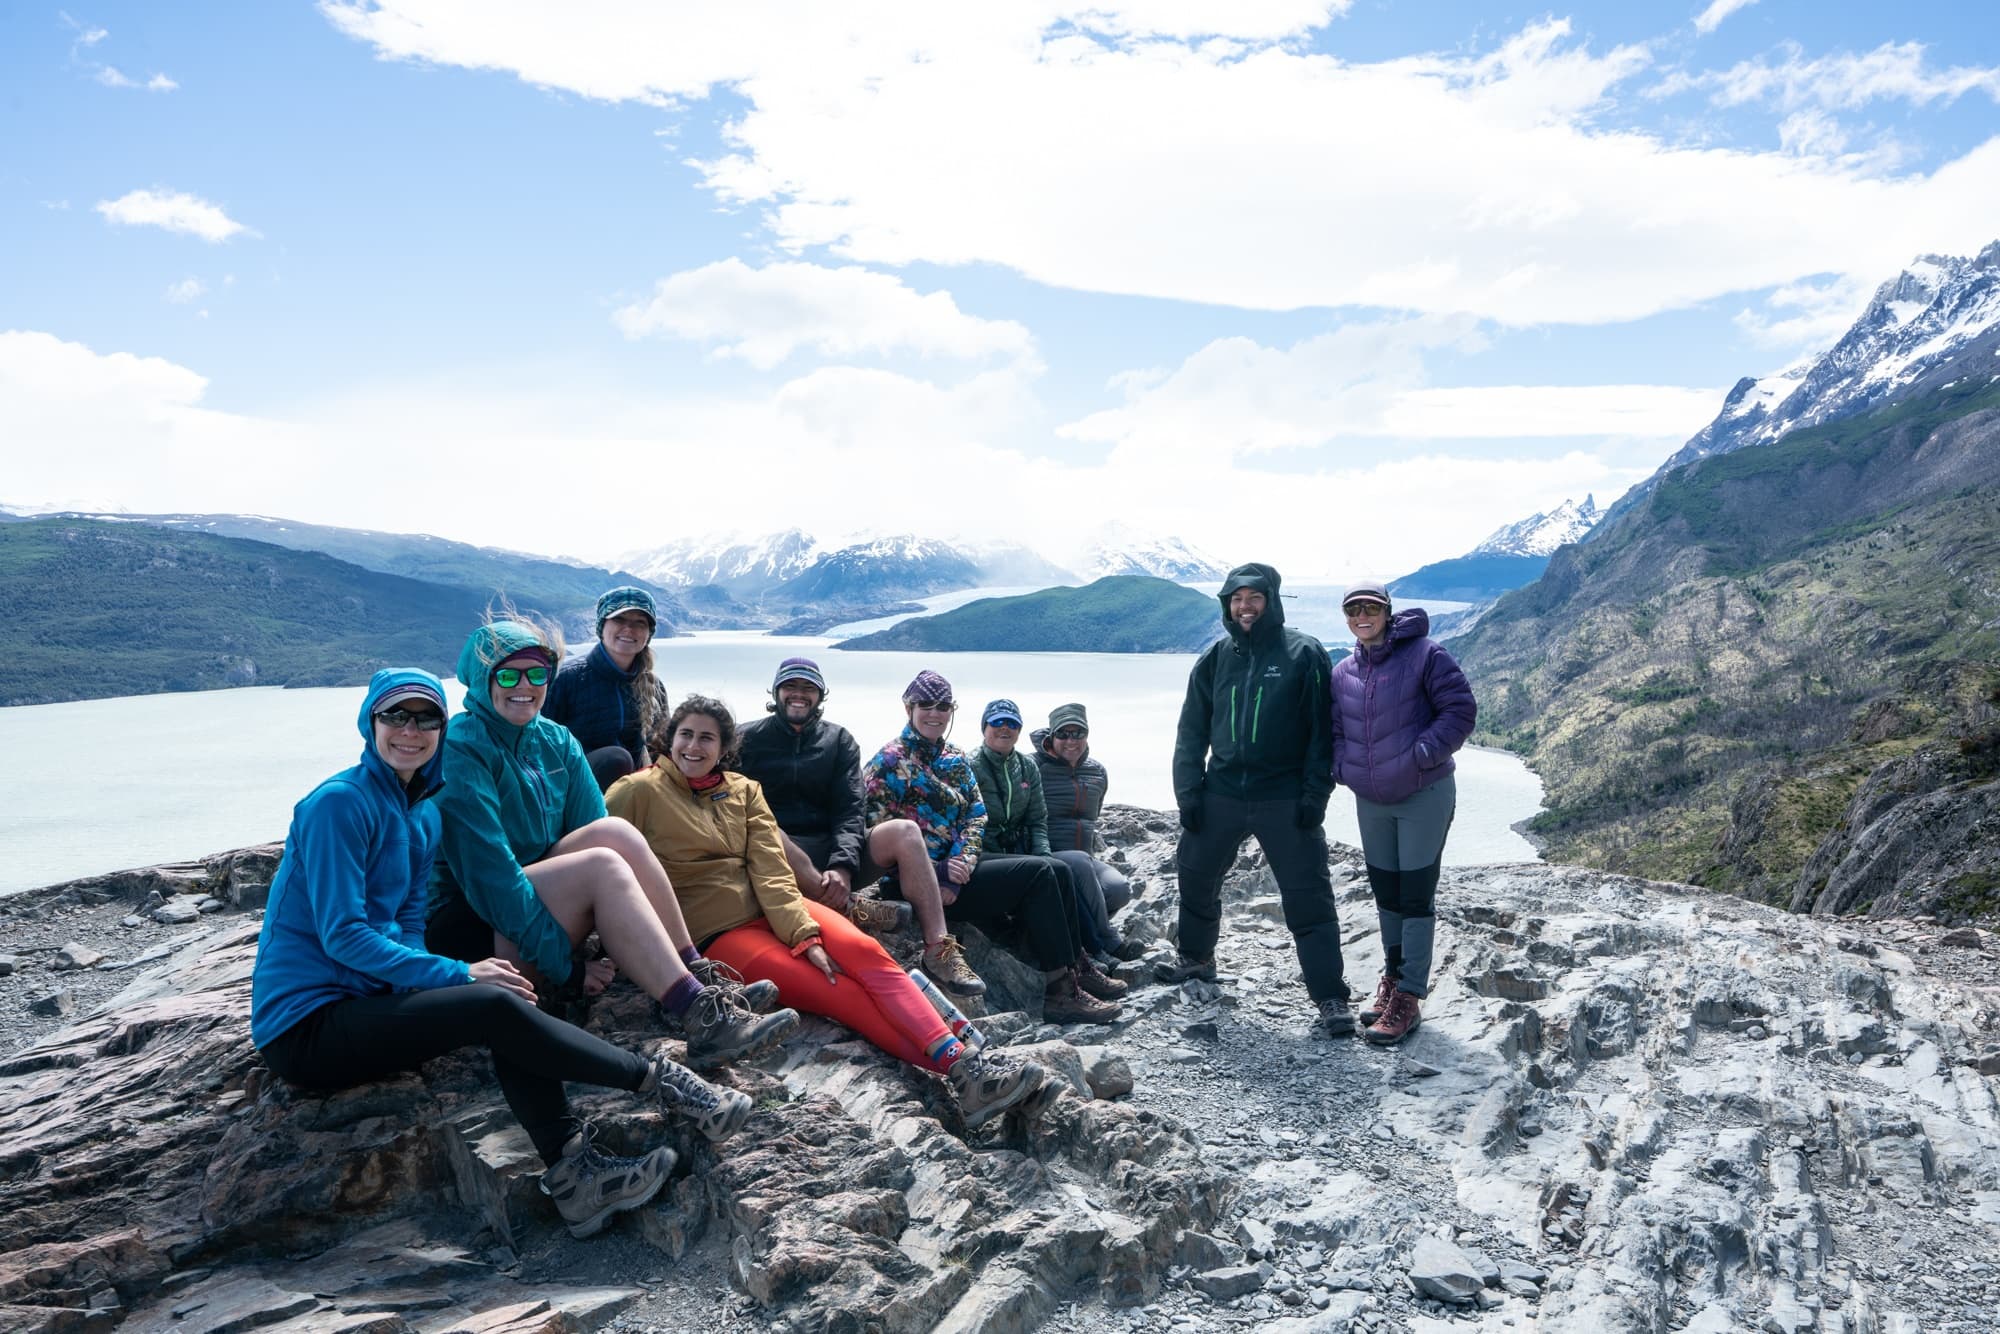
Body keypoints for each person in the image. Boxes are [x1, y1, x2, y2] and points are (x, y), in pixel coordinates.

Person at [251, 669, 750, 1241]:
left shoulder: (422, 812)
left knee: (506, 997)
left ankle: (574, 1179)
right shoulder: (338, 805)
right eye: (396, 716)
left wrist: (437, 981)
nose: (411, 731)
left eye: (426, 718)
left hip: (372, 999)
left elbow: (409, 923)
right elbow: (343, 936)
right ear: (371, 722)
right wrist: (457, 972)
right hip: (308, 1028)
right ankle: (663, 1085)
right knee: (492, 1002)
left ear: (442, 726)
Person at [608, 695, 1051, 1129]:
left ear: (724, 749)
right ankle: (961, 1069)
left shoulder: (744, 792)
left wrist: (802, 931)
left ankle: (974, 1071)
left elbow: (771, 870)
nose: (694, 746)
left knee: (870, 956)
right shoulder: (637, 792)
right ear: (670, 739)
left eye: (708, 738)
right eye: (686, 735)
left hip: (778, 906)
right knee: (839, 990)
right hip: (718, 932)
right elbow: (603, 858)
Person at [428, 618, 799, 1071]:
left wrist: (621, 938)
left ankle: (697, 979)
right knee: (601, 864)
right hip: (476, 930)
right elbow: (492, 880)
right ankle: (702, 1019)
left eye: (537, 673)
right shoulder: (462, 749)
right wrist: (570, 970)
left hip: (531, 909)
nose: (524, 685)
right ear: (481, 680)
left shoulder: (555, 740)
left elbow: (596, 834)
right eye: (507, 674)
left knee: (616, 835)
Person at [864, 671, 1121, 1025]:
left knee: (1057, 869)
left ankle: (1076, 966)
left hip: (959, 875)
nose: (935, 713)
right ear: (909, 707)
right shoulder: (888, 761)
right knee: (1039, 875)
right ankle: (1059, 991)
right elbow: (873, 833)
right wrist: (937, 872)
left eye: (943, 706)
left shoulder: (954, 758)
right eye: (925, 705)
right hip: (916, 884)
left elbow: (976, 816)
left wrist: (962, 864)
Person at [1163, 563, 1354, 1036]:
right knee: (1196, 875)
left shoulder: (1303, 653)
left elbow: (1320, 734)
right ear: (1227, 604)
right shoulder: (1215, 658)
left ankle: (1330, 997)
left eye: (1254, 598)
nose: (1245, 607)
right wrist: (1189, 792)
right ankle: (1197, 959)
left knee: (1308, 895)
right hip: (1221, 792)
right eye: (1236, 599)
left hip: (1284, 796)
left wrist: (1315, 794)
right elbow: (1191, 732)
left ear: (1271, 600)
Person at [1329, 581, 1476, 1045]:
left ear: (1388, 612)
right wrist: (1342, 766)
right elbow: (1335, 729)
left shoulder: (1426, 655)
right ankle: (1392, 978)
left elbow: (1460, 709)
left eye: (1371, 607)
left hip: (1421, 793)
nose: (1362, 615)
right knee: (1386, 894)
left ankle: (1409, 998)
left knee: (1414, 896)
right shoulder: (1344, 672)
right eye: (1353, 609)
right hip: (1371, 800)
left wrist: (1422, 754)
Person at [728, 658, 939, 952]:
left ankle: (939, 948)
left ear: (820, 695)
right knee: (765, 825)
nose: (799, 694)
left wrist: (842, 867)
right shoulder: (743, 739)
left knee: (905, 832)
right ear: (775, 692)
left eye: (808, 687)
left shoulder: (839, 741)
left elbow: (850, 809)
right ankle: (849, 906)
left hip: (829, 853)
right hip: (772, 858)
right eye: (790, 686)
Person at [970, 698, 1126, 1001]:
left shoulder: (1025, 766)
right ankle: (1091, 955)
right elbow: (972, 822)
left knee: (1091, 881)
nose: (1005, 728)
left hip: (1039, 854)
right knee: (1061, 870)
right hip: (991, 855)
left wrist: (1042, 856)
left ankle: (1083, 961)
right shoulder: (971, 765)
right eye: (997, 723)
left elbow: (1036, 819)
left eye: (1012, 723)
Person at [1029, 702, 1142, 962]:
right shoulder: (1033, 766)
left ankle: (1081, 924)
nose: (1071, 740)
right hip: (1048, 854)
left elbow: (1094, 814)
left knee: (1119, 889)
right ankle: (1108, 943)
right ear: (1051, 736)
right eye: (1063, 734)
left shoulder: (1097, 771)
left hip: (1085, 857)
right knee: (1079, 863)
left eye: (1078, 733)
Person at [543, 586, 671, 793]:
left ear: (648, 634)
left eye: (639, 623)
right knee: (615, 758)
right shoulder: (566, 679)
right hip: (575, 789)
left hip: (635, 788)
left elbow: (660, 746)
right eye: (619, 620)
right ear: (602, 627)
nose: (629, 629)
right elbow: (541, 744)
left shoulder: (654, 687)